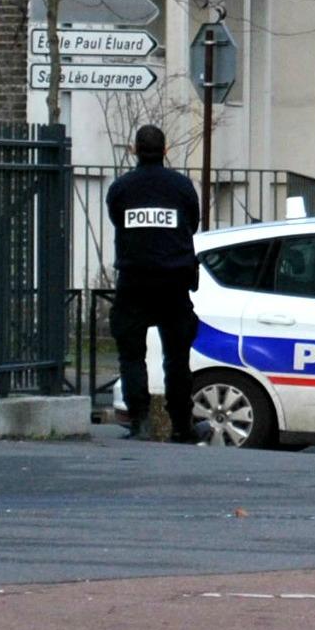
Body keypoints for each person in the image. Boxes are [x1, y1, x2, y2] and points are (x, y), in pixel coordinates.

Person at [106, 125, 204, 444]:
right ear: (165, 150)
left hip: (134, 281)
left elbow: (117, 219)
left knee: (131, 355)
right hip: (174, 282)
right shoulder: (181, 187)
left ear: (134, 150)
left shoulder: (121, 189)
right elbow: (193, 222)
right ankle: (181, 424)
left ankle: (141, 421)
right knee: (177, 358)